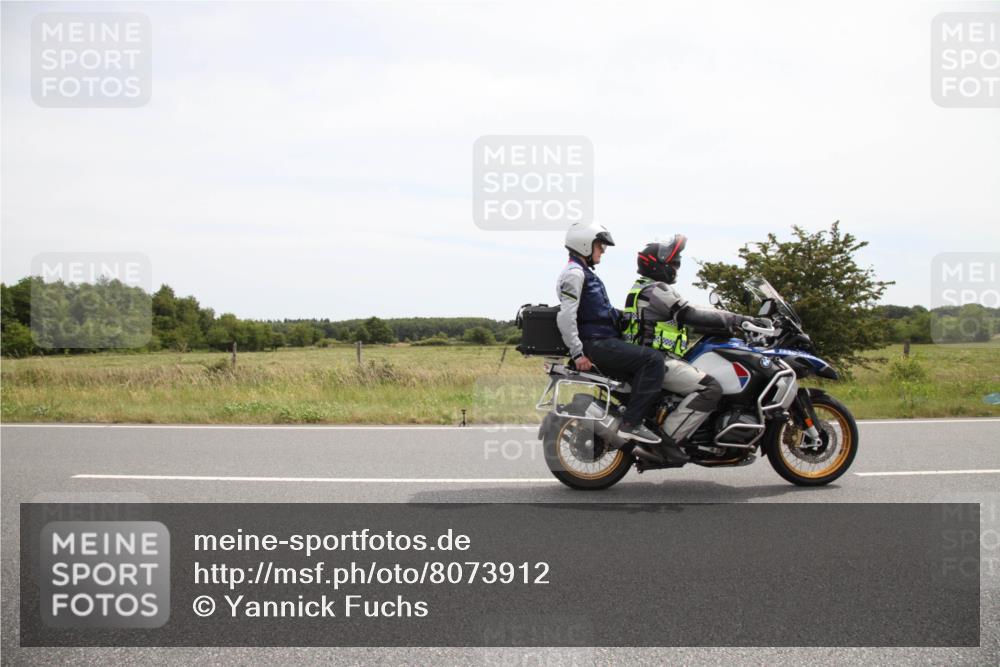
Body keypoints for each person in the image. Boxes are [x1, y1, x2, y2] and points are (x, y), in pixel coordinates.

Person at [621, 234, 766, 463]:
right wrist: (737, 320)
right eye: (672, 262)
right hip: (658, 360)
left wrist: (729, 319)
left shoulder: (645, 288)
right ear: (657, 264)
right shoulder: (656, 289)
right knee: (710, 388)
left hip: (651, 358)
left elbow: (690, 310)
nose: (676, 267)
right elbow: (690, 314)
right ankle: (665, 443)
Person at [555, 221, 680, 453]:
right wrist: (578, 352)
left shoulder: (582, 272)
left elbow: (599, 311)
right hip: (597, 343)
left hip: (602, 340)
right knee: (653, 360)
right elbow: (566, 316)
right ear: (584, 244)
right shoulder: (574, 274)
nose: (602, 250)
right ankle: (632, 423)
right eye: (599, 245)